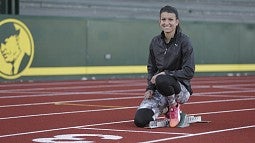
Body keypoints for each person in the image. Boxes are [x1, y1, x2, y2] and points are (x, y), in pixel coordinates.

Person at [134, 5, 195, 128]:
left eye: (170, 20)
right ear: (159, 21)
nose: (167, 23)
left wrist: (167, 74)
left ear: (177, 22)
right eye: (163, 19)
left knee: (162, 79)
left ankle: (174, 107)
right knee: (140, 120)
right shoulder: (155, 42)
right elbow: (152, 68)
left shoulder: (185, 41)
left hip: (180, 89)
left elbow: (189, 71)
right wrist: (150, 88)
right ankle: (166, 110)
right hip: (160, 89)